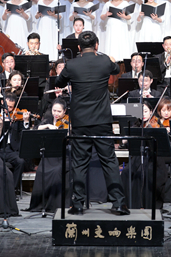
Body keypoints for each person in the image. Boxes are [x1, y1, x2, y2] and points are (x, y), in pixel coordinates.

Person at [55, 31, 127, 215]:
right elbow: (116, 69)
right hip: (102, 120)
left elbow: (58, 81)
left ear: (79, 47)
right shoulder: (104, 61)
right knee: (109, 161)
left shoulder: (72, 64)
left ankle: (78, 204)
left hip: (80, 121)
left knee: (79, 163)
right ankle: (119, 203)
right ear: (96, 45)